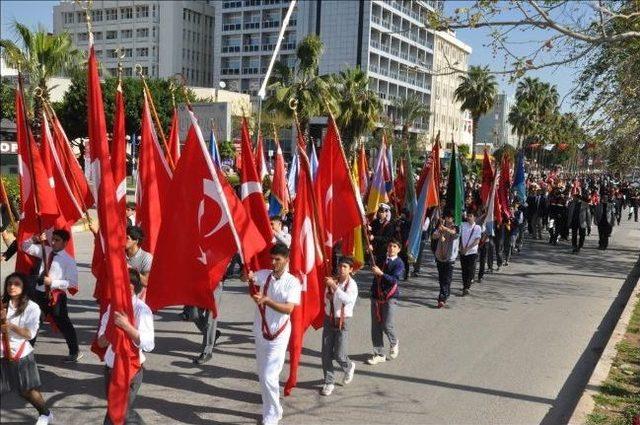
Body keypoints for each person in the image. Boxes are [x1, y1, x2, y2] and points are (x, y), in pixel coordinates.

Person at [242, 244, 300, 425]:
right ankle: (272, 408)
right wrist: (247, 274)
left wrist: (267, 301)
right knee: (262, 374)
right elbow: (248, 278)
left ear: (286, 260)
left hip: (279, 335)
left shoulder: (293, 282)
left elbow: (289, 309)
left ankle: (273, 414)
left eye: (278, 260)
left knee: (269, 376)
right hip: (261, 332)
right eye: (272, 259)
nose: (273, 262)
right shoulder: (265, 274)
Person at [97, 269, 154, 425]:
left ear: (131, 288)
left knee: (120, 412)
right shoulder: (111, 308)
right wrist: (111, 333)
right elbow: (101, 342)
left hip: (131, 369)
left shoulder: (142, 310)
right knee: (116, 412)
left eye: (122, 287)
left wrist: (127, 327)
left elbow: (149, 344)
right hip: (111, 369)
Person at [1, 273, 53, 425]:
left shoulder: (32, 308)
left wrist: (10, 326)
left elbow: (30, 334)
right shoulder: (2, 303)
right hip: (2, 352)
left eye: (16, 284)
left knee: (27, 391)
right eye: (9, 283)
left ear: (24, 287)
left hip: (20, 354)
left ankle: (45, 414)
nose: (12, 287)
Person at [23, 230, 82, 362]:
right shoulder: (46, 250)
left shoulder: (68, 260)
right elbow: (25, 247)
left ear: (65, 243)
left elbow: (72, 283)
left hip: (56, 296)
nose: (54, 242)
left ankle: (74, 352)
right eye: (53, 239)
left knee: (64, 324)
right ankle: (26, 353)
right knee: (34, 321)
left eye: (57, 240)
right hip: (39, 294)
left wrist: (53, 283)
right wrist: (35, 238)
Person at [320, 256, 358, 396]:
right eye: (340, 266)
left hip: (343, 320)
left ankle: (349, 366)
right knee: (326, 353)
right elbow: (325, 298)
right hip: (329, 318)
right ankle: (329, 382)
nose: (341, 269)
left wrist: (334, 287)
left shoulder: (352, 285)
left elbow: (347, 300)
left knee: (340, 354)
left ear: (351, 270)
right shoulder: (333, 280)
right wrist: (328, 296)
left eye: (345, 267)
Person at [367, 239, 404, 365]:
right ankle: (379, 353)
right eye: (390, 246)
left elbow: (394, 280)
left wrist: (381, 274)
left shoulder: (399, 263)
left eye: (394, 246)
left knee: (387, 324)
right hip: (376, 295)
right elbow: (371, 264)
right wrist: (369, 252)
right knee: (376, 326)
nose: (391, 248)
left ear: (399, 249)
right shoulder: (382, 258)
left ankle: (394, 342)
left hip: (390, 297)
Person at [189, 282, 223, 365]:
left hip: (215, 284)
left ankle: (207, 352)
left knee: (210, 319)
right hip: (199, 284)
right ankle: (213, 335)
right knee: (194, 314)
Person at [432, 213, 459, 308]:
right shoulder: (440, 227)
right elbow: (434, 236)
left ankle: (442, 298)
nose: (448, 219)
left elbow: (455, 234)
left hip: (450, 257)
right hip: (440, 256)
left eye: (450, 217)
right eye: (447, 217)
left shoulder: (455, 227)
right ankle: (445, 293)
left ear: (453, 218)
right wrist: (440, 230)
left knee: (447, 278)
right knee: (441, 278)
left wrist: (445, 229)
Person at [124, 226, 153, 300]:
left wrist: (130, 269)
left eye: (127, 238)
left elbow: (146, 282)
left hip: (139, 301)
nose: (123, 240)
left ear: (136, 241)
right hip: (122, 298)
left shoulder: (146, 257)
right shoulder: (120, 255)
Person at [459, 211, 482, 296]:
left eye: (470, 216)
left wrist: (467, 249)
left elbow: (477, 241)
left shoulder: (477, 228)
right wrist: (461, 248)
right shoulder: (463, 225)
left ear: (474, 217)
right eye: (468, 216)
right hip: (463, 252)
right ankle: (465, 286)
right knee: (464, 270)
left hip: (472, 252)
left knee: (470, 270)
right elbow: (459, 237)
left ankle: (467, 287)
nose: (469, 217)